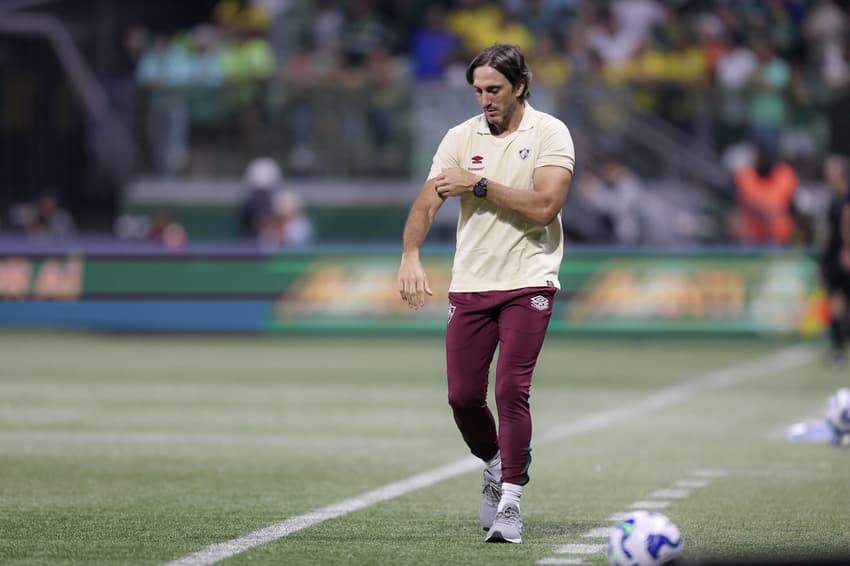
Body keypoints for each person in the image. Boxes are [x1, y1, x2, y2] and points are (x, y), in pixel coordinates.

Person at [397, 43, 575, 544]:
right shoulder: (459, 137)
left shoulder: (550, 133)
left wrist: (478, 185)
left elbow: (544, 207)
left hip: (529, 279)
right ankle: (496, 464)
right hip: (472, 283)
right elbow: (426, 203)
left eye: (494, 90)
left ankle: (512, 503)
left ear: (520, 86)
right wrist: (410, 254)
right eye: (478, 91)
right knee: (462, 397)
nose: (485, 100)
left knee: (511, 390)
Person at [822, 155, 850, 363]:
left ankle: (838, 345)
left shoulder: (844, 198)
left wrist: (847, 249)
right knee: (836, 299)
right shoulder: (834, 197)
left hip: (841, 255)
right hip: (833, 256)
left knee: (839, 299)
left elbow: (846, 221)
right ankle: (838, 345)